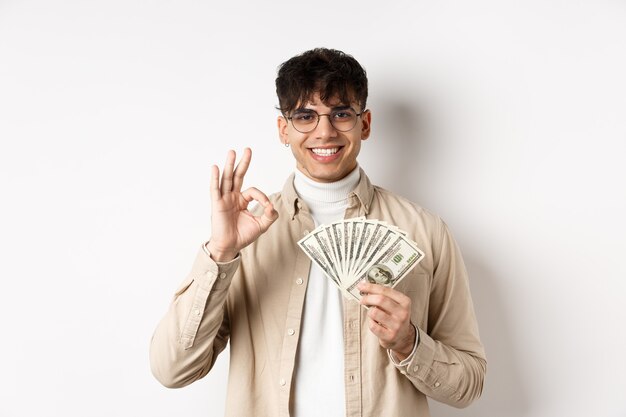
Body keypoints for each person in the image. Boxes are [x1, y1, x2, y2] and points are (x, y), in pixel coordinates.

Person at [150, 48, 486, 417]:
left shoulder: (425, 231)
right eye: (305, 116)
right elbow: (172, 370)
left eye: (341, 114)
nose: (324, 132)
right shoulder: (245, 235)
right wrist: (220, 251)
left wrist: (409, 343)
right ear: (283, 129)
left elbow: (470, 384)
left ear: (366, 123)